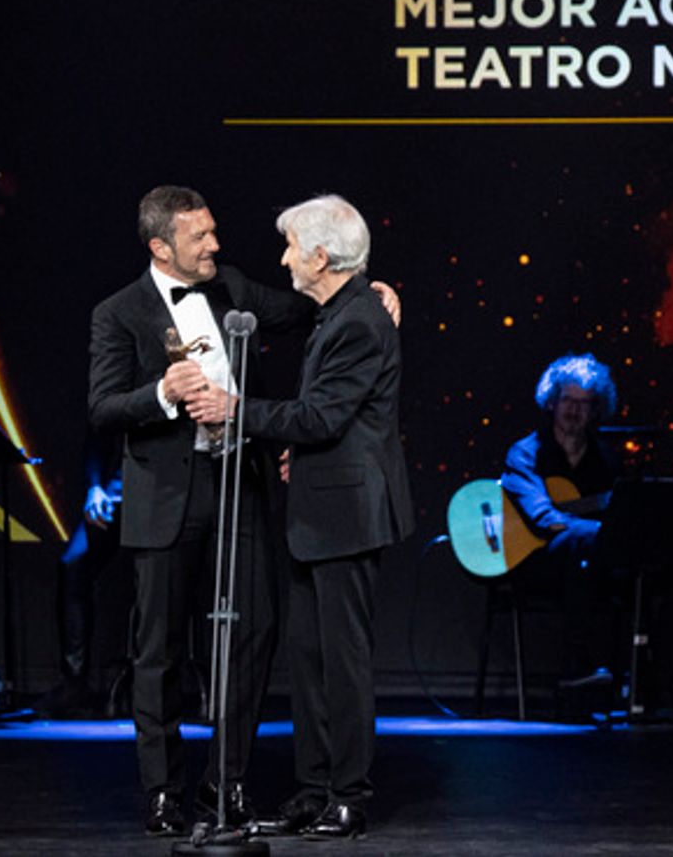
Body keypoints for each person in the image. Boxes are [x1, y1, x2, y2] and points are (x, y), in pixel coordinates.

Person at [88, 185, 400, 837]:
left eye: (212, 230)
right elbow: (102, 408)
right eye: (199, 236)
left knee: (252, 638)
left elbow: (310, 303)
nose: (215, 245)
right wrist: (160, 392)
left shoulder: (228, 285)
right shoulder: (118, 313)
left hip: (241, 489)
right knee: (160, 650)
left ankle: (222, 784)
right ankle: (164, 792)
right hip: (166, 497)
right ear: (160, 246)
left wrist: (375, 289)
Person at [199, 194, 412, 840]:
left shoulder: (358, 320)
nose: (285, 256)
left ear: (321, 255)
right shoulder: (339, 311)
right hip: (320, 508)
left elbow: (322, 415)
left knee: (342, 662)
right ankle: (316, 786)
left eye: (292, 245)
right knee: (311, 656)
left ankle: (348, 793)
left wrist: (234, 407)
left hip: (347, 513)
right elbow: (330, 417)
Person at [500, 354, 623, 694]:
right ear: (552, 402)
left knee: (654, 573)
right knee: (580, 543)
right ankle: (576, 666)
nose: (574, 410)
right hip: (536, 563)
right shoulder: (526, 453)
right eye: (568, 400)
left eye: (584, 404)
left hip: (589, 565)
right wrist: (603, 533)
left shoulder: (605, 460)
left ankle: (642, 682)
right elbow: (545, 519)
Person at [36, 433, 124, 717]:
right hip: (119, 488)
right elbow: (99, 431)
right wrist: (95, 486)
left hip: (166, 486)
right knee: (74, 564)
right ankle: (75, 683)